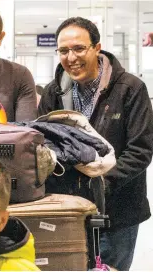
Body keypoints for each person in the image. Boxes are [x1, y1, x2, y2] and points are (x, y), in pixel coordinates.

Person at [38, 17, 153, 271]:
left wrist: (100, 186)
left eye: (79, 49)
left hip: (118, 214)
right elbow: (42, 145)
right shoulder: (53, 93)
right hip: (68, 211)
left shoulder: (130, 89)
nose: (71, 57)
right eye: (64, 51)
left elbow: (140, 151)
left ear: (97, 48)